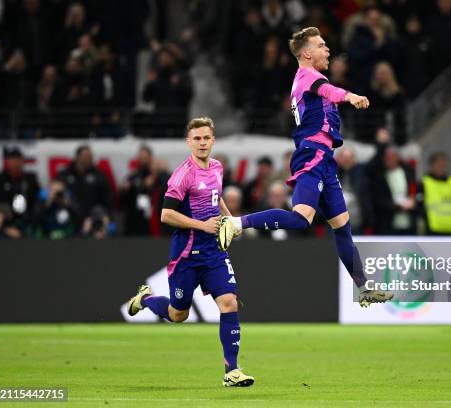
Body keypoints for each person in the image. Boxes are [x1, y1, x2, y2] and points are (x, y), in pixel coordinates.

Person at [216, 27, 393, 307]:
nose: (328, 50)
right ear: (307, 52)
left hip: (324, 159)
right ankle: (236, 223)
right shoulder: (308, 76)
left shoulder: (308, 78)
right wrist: (349, 96)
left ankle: (364, 288)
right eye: (322, 45)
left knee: (343, 227)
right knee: (301, 219)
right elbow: (328, 90)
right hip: (312, 153)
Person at [127, 117, 254, 387]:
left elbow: (215, 197)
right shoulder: (183, 175)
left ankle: (231, 370)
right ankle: (146, 299)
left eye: (206, 138)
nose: (202, 143)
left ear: (213, 140)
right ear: (189, 142)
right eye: (196, 138)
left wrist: (230, 221)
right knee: (178, 315)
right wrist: (202, 225)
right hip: (186, 253)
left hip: (214, 251)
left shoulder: (218, 167)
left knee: (229, 302)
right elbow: (166, 214)